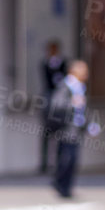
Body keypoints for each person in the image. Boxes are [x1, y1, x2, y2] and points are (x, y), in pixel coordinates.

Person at [47, 59, 95, 200]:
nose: (86, 73)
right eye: (83, 70)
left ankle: (66, 187)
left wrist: (89, 125)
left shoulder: (79, 87)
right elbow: (57, 104)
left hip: (76, 129)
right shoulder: (66, 86)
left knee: (72, 159)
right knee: (66, 158)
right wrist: (72, 104)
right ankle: (60, 185)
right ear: (73, 71)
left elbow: (83, 110)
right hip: (66, 129)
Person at [38, 41, 66, 174]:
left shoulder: (63, 63)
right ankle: (44, 163)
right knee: (47, 134)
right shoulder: (45, 63)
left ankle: (60, 163)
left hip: (59, 100)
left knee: (61, 134)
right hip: (49, 99)